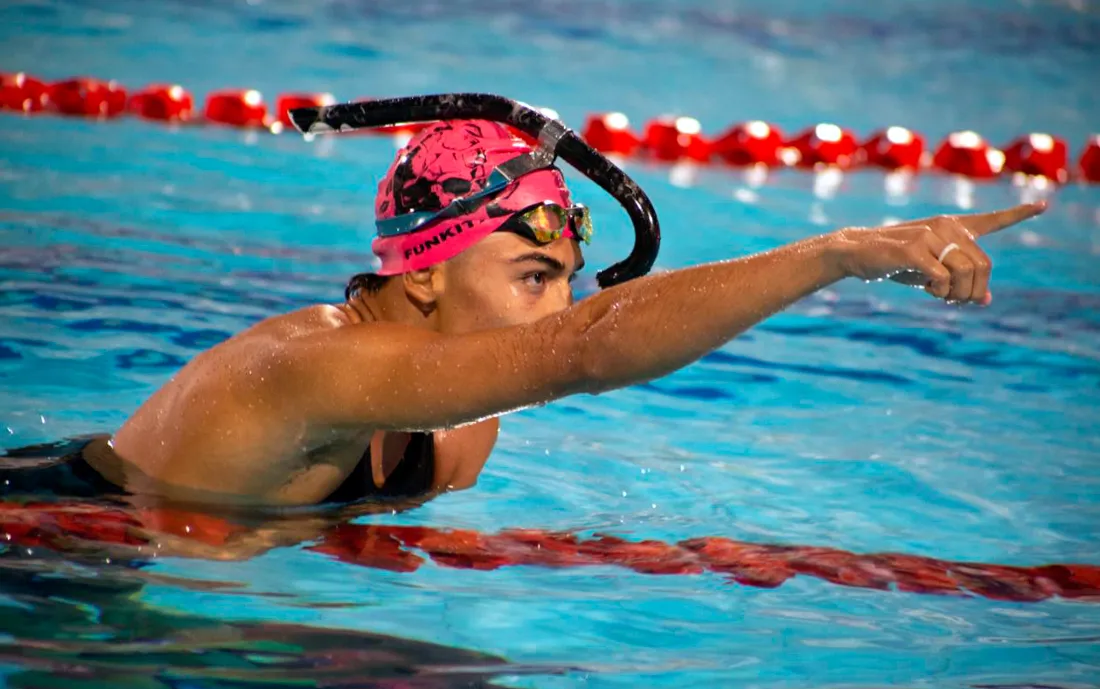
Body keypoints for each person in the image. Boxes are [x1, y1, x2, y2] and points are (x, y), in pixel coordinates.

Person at [1, 115, 1045, 508]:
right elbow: (581, 351)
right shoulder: (314, 366)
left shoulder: (456, 426)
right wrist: (839, 249)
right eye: (533, 274)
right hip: (51, 555)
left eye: (561, 278)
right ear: (423, 277)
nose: (555, 306)